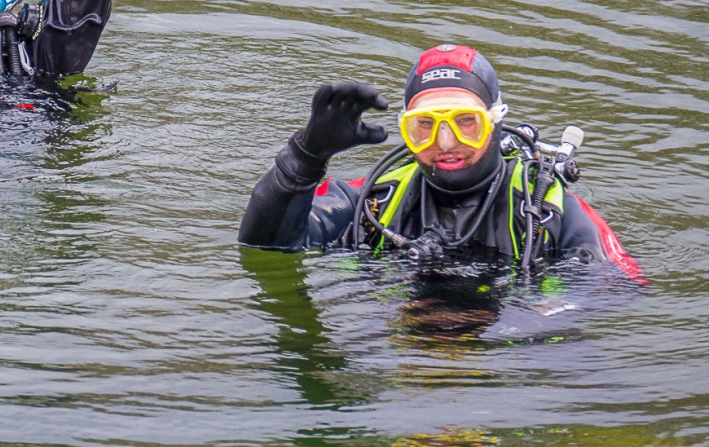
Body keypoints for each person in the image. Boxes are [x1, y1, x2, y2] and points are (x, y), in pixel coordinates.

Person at [239, 44, 643, 280]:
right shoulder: (377, 198)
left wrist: (492, 343)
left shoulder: (547, 207)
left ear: (495, 124)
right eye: (425, 127)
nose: (446, 143)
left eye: (466, 123)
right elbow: (265, 245)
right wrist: (306, 157)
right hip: (401, 356)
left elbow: (612, 288)